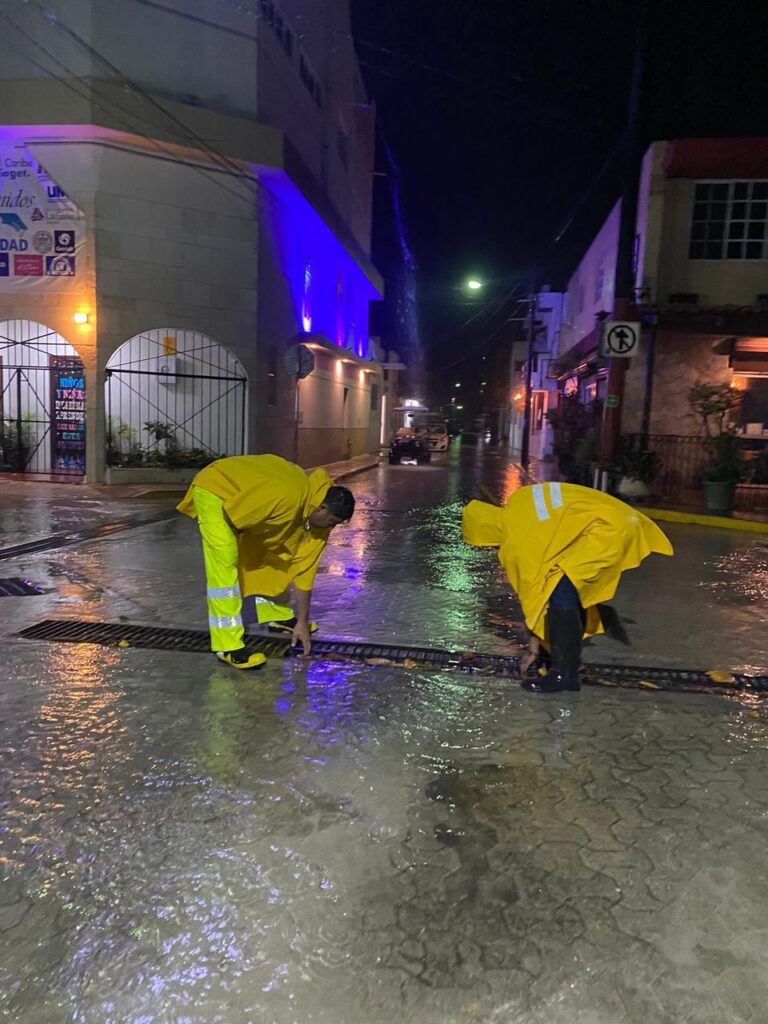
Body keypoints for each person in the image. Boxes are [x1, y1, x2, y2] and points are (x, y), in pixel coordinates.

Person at [462, 481, 673, 693]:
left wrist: (533, 650)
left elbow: (533, 597)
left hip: (607, 532)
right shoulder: (520, 501)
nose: (493, 548)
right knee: (565, 587)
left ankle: (563, 675)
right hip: (617, 518)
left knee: (560, 593)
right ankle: (566, 666)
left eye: (487, 544)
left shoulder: (517, 539)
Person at [178, 454, 355, 669]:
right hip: (217, 492)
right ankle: (227, 645)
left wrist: (302, 622)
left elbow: (304, 572)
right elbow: (235, 517)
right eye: (332, 522)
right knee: (225, 560)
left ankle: (275, 614)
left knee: (278, 550)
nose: (331, 528)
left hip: (251, 503)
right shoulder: (285, 496)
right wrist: (240, 549)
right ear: (322, 508)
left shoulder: (312, 510)